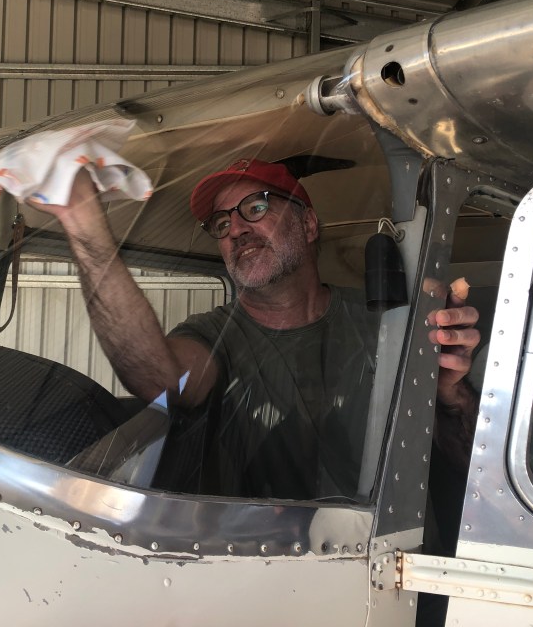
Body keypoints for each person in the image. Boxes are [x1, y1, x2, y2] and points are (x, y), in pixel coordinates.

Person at [33, 159, 480, 499]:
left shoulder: (388, 324)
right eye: (221, 223)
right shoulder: (214, 336)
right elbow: (157, 377)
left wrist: (450, 393)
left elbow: (466, 467)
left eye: (256, 207)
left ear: (308, 224)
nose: (235, 229)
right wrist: (82, 221)